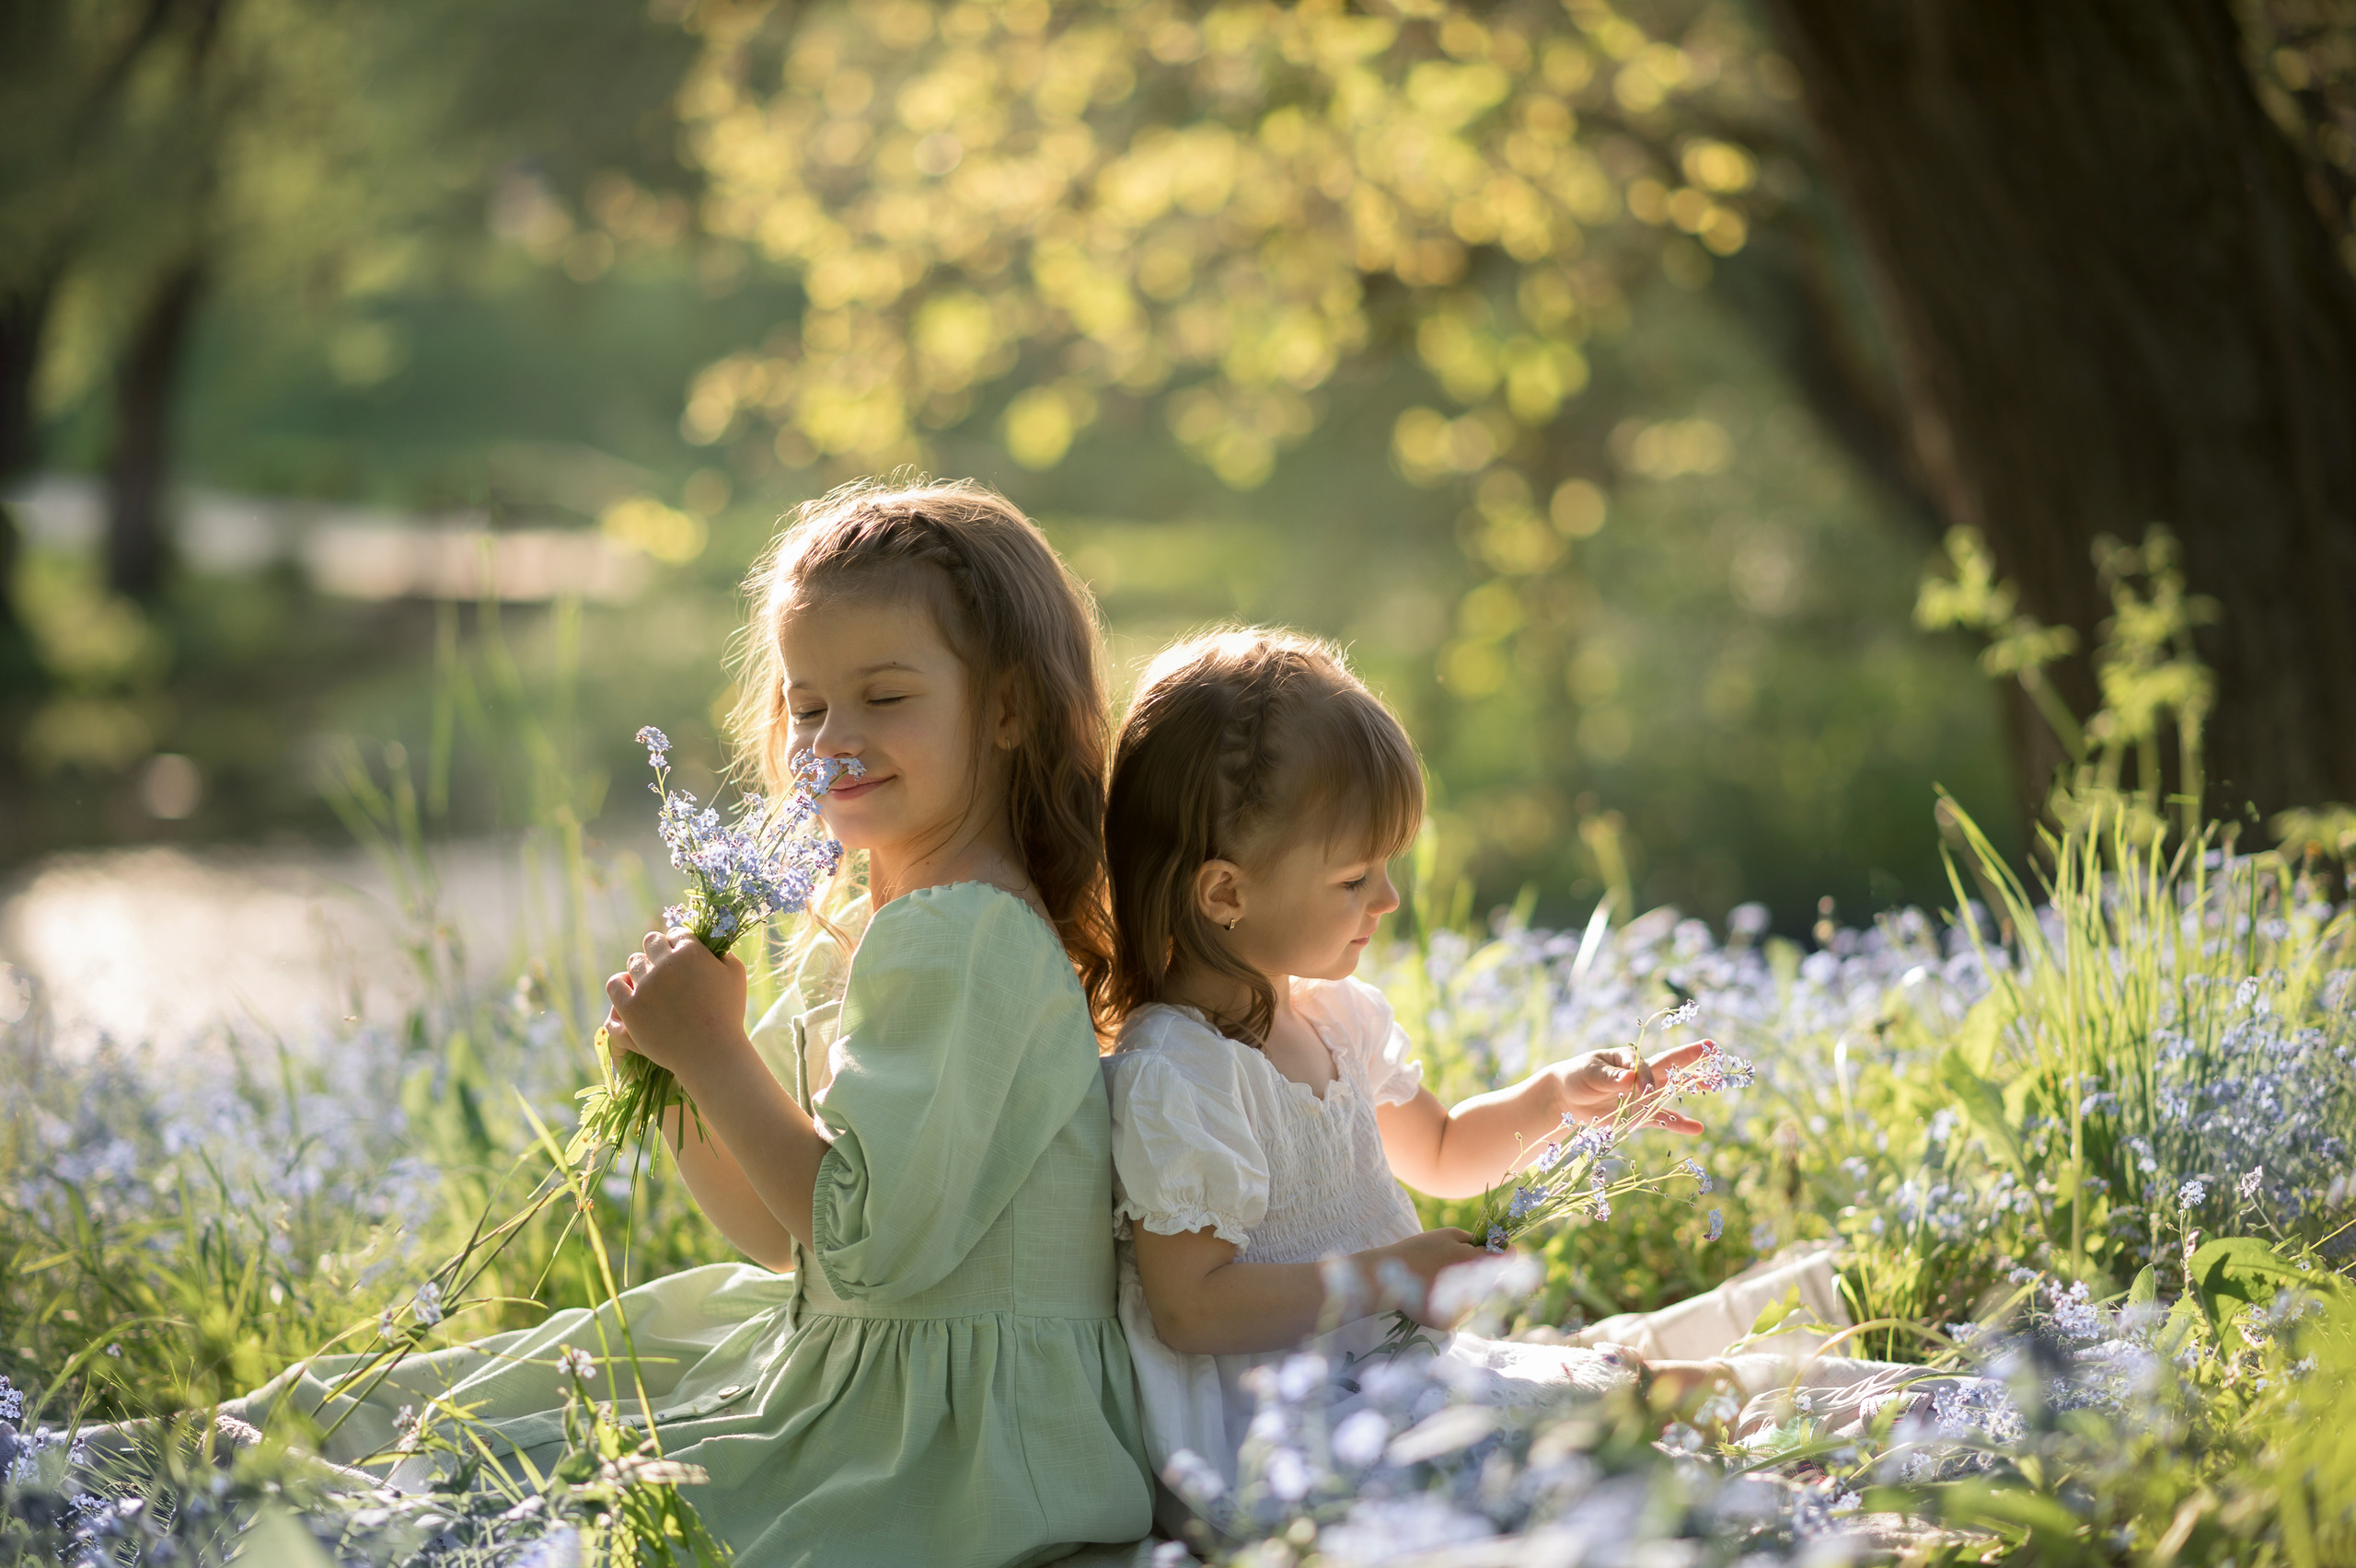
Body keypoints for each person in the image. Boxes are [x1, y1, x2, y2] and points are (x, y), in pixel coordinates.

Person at [238, 479, 1156, 1567]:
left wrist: (714, 1049)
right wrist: (671, 1076)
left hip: (949, 1447)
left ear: (1007, 709)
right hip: (878, 1367)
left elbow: (860, 1250)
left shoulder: (966, 937)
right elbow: (784, 1235)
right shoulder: (886, 923)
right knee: (482, 1436)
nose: (833, 741)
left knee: (479, 1492)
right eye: (809, 706)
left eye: (886, 697)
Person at [1094, 628, 1778, 1528]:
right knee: (1613, 1423)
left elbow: (1445, 1152)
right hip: (1291, 1432)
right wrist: (1388, 1277)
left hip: (1391, 1374)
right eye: (1352, 879)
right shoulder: (1177, 1074)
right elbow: (1190, 1308)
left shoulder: (1337, 1018)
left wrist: (1554, 1099)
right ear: (1225, 894)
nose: (1387, 901)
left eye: (1387, 869)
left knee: (1634, 1396)